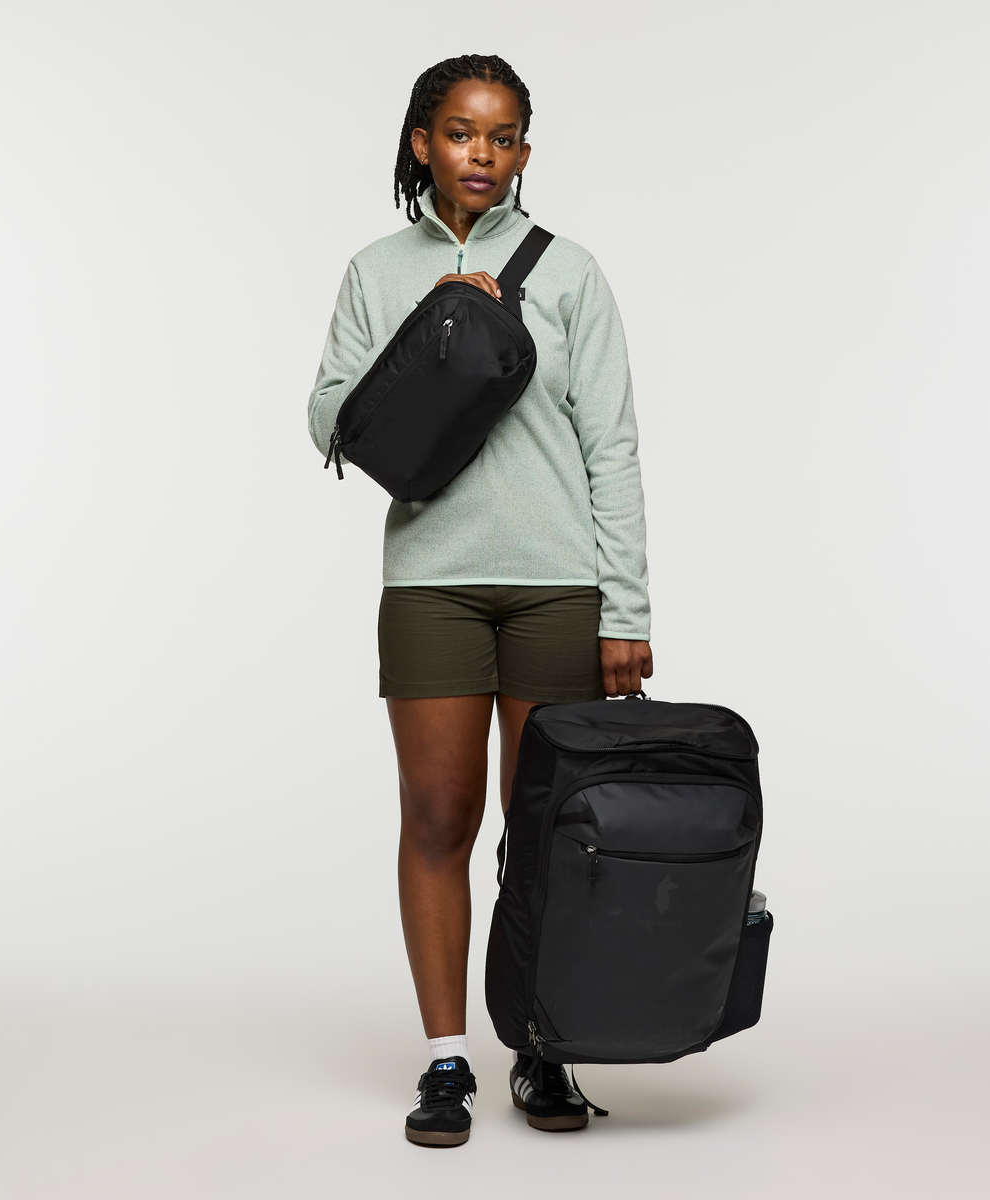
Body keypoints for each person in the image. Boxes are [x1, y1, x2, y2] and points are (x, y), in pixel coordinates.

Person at [308, 54, 651, 1147]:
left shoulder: (571, 272)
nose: (481, 156)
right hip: (431, 586)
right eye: (461, 133)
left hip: (558, 587)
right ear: (423, 142)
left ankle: (542, 1046)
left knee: (544, 831)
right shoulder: (376, 270)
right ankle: (448, 1058)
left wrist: (625, 609)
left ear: (524, 154)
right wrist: (436, 329)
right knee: (439, 818)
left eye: (502, 139)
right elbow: (328, 422)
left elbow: (612, 446)